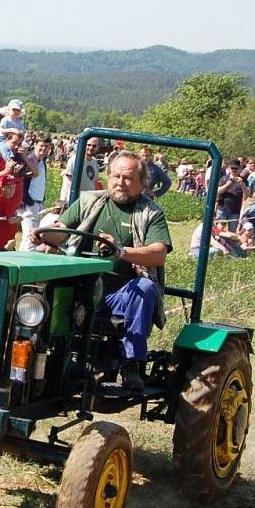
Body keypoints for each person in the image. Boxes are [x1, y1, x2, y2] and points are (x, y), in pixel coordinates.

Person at [36, 150, 172, 392]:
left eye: (128, 178)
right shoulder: (89, 201)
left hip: (120, 295)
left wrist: (121, 251)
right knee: (41, 285)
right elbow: (62, 230)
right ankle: (40, 357)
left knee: (146, 288)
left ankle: (131, 363)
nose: (120, 183)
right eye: (116, 176)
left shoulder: (150, 213)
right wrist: (46, 233)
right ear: (108, 177)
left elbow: (158, 253)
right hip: (81, 288)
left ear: (142, 184)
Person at [18, 132, 52, 251]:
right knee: (30, 239)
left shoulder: (42, 161)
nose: (43, 148)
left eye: (46, 146)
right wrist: (30, 202)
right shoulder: (30, 160)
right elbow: (22, 184)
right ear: (35, 145)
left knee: (32, 239)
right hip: (29, 204)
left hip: (38, 203)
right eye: (41, 145)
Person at [60, 137, 99, 202]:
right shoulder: (75, 160)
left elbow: (95, 182)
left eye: (94, 146)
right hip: (74, 200)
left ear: (97, 147)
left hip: (88, 200)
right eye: (88, 145)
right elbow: (69, 179)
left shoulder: (95, 162)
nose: (91, 148)